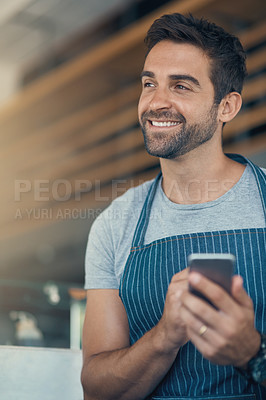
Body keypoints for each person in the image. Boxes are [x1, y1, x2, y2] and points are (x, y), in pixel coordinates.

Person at [81, 13, 266, 400]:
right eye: (150, 83)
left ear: (227, 107)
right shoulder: (115, 224)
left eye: (181, 86)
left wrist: (252, 353)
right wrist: (165, 337)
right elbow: (98, 391)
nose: (156, 102)